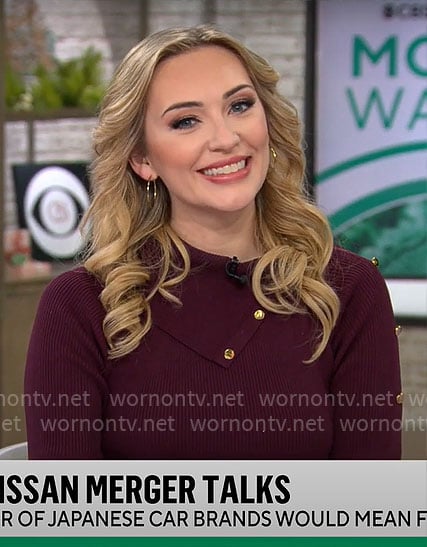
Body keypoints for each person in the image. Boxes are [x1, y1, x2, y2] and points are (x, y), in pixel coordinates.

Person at [24, 25, 402, 460]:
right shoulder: (80, 306)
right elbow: (64, 523)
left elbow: (369, 514)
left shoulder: (347, 289)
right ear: (143, 160)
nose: (225, 139)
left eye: (240, 106)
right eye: (186, 121)